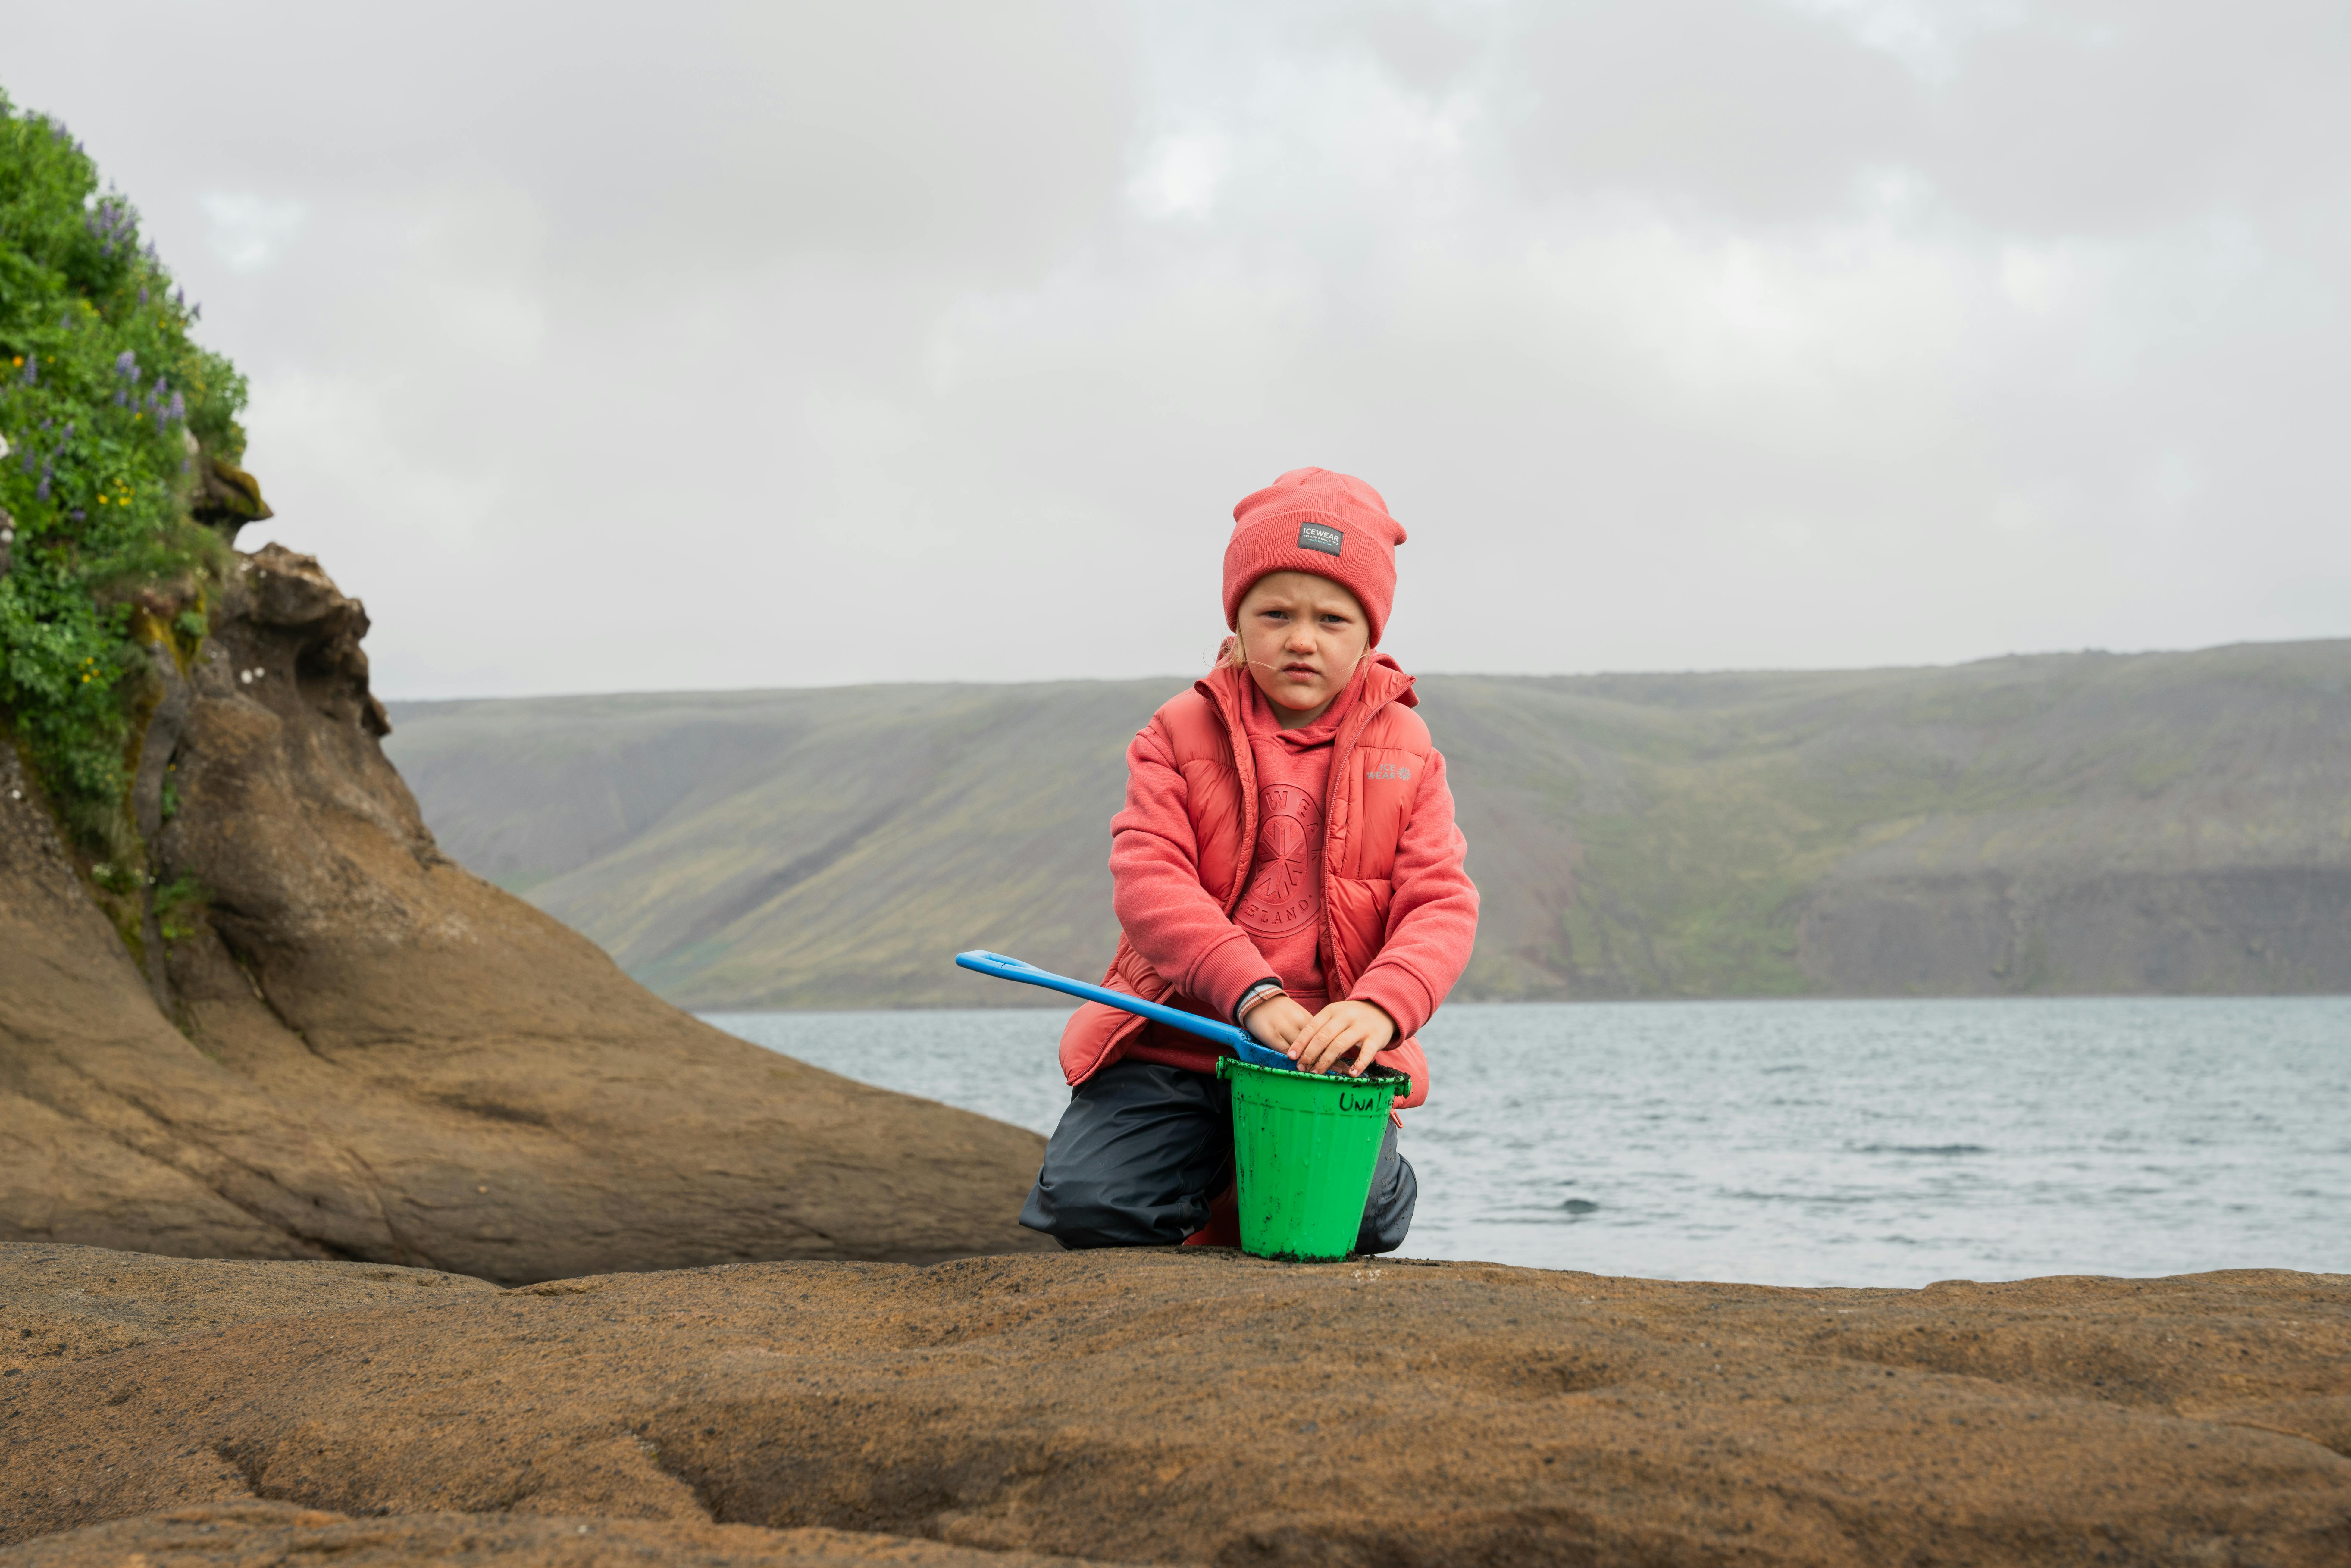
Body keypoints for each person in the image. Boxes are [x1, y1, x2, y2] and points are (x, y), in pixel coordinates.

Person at [1019, 468, 1480, 1253]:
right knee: (1092, 1211)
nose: (1302, 638)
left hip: (1329, 1066)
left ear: (1371, 635)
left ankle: (1376, 1166)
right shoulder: (1174, 730)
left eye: (1333, 618)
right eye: (1275, 613)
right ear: (1236, 619)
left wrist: (1378, 1009)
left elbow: (1440, 903)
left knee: (1350, 1227)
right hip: (1176, 1045)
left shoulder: (1409, 751)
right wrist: (1251, 997)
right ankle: (1211, 1169)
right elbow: (1148, 879)